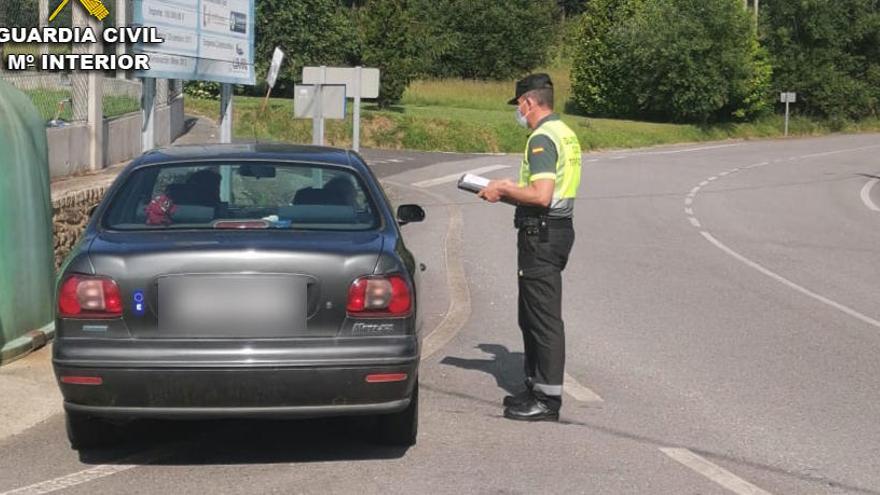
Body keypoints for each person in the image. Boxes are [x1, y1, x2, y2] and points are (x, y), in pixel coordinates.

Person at [478, 73, 582, 422]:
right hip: (555, 229)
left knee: (542, 318)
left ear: (528, 102)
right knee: (532, 314)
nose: (518, 112)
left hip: (542, 234)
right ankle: (536, 387)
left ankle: (547, 400)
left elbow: (541, 195)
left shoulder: (541, 139)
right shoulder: (564, 133)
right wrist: (507, 192)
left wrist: (504, 190)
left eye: (519, 105)